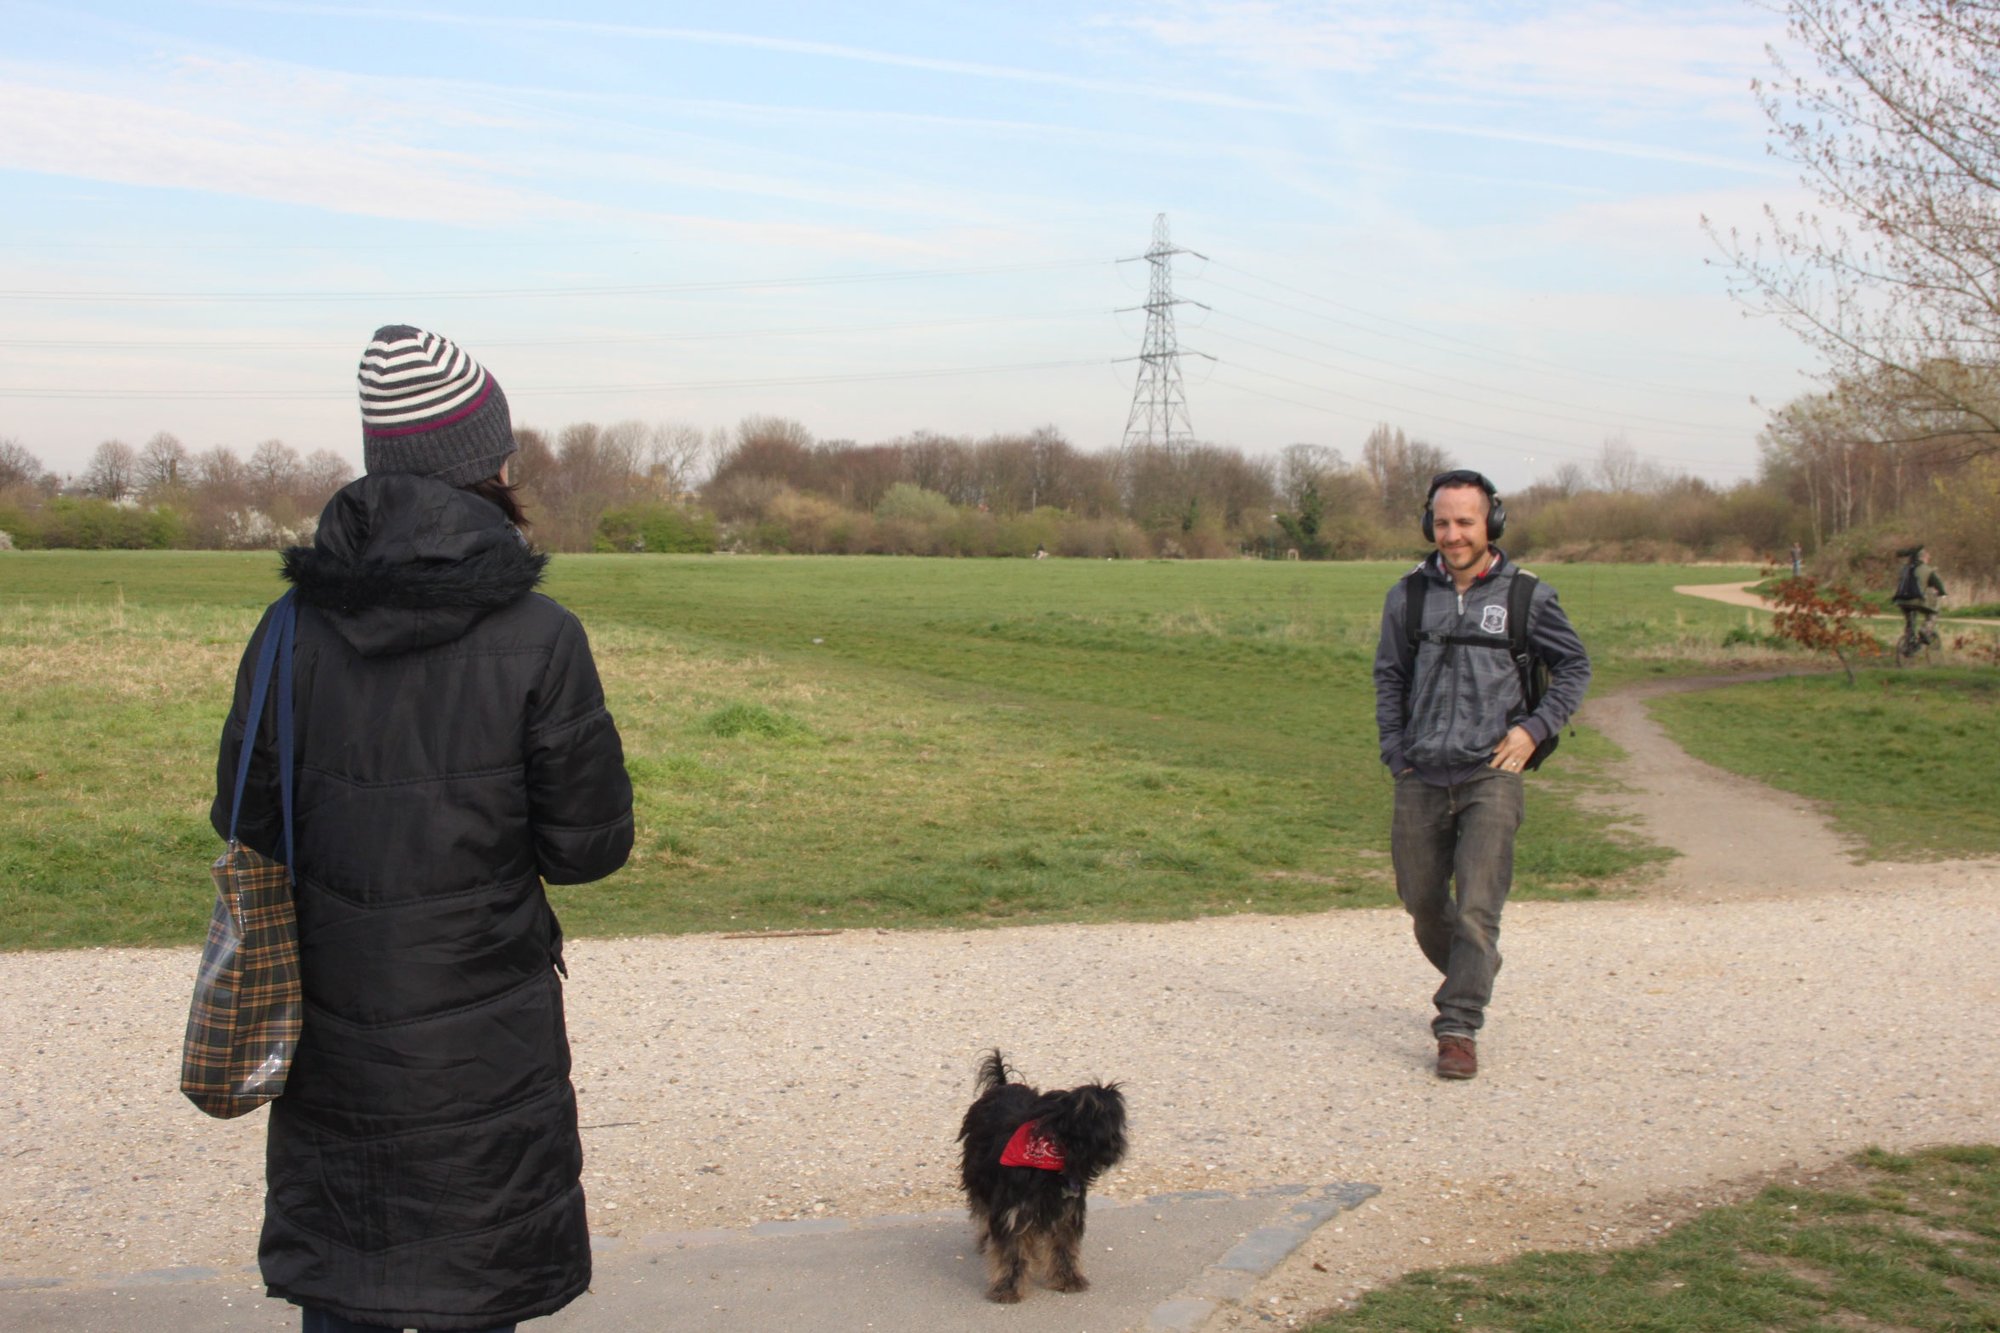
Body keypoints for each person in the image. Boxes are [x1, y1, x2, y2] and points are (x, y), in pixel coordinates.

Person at [212, 325, 635, 1332]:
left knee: (348, 1280)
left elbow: (244, 817)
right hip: (485, 1031)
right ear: (485, 464)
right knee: (475, 1279)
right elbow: (588, 849)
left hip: (336, 1017)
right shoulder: (543, 635)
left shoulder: (288, 627)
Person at [1372, 470, 1590, 1081]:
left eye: (1465, 522)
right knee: (1421, 901)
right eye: (1442, 522)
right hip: (1420, 771)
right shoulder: (1408, 596)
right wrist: (1396, 751)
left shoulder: (1527, 597)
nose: (1453, 534)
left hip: (1491, 772)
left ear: (1490, 523)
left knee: (1476, 908)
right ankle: (1478, 967)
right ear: (1429, 524)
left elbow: (1574, 667)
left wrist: (1534, 729)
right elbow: (1389, 676)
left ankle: (1458, 1025)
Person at [1893, 544, 1947, 649]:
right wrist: (1942, 593)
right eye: (1927, 557)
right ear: (1922, 557)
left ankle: (1908, 641)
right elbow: (1937, 584)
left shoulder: (1905, 568)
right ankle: (1925, 630)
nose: (1929, 558)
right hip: (1916, 600)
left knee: (1910, 621)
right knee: (1933, 613)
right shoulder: (1927, 569)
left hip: (1901, 600)